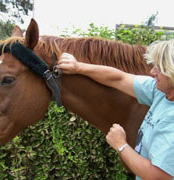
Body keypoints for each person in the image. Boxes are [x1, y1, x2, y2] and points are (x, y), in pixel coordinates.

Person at [57, 39, 174, 180]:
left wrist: (121, 145)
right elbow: (118, 78)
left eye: (160, 68)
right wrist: (79, 67)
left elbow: (159, 177)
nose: (152, 72)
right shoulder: (160, 92)